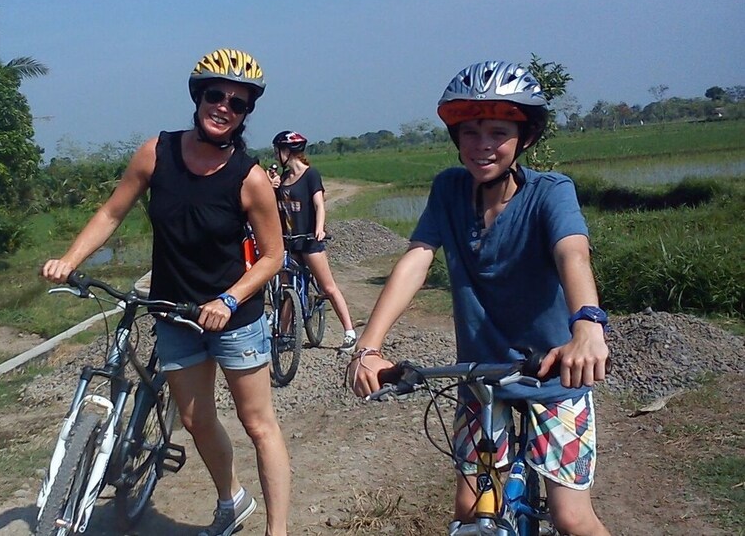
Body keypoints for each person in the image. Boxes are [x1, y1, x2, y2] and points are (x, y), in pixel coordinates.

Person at [347, 61, 611, 536]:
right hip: (479, 380)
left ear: (524, 137)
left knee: (572, 518)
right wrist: (369, 345)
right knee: (470, 513)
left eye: (497, 131)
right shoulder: (448, 189)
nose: (482, 144)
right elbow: (417, 259)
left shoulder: (551, 193)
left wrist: (587, 325)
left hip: (552, 374)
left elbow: (573, 254)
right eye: (469, 132)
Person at [42, 48, 290, 536]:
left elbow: (273, 256)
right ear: (198, 97)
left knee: (258, 425)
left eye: (237, 103)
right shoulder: (157, 153)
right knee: (196, 422)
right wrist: (71, 260)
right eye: (215, 95)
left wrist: (229, 299)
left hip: (234, 319)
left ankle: (277, 530)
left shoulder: (251, 178)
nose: (224, 107)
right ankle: (231, 500)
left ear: (245, 114)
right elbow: (112, 212)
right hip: (174, 314)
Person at [268, 130, 358, 352]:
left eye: (277, 151)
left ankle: (349, 332)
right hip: (289, 242)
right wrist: (271, 188)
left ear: (287, 152)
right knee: (288, 288)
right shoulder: (283, 180)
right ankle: (284, 333)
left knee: (328, 287)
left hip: (308, 240)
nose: (276, 155)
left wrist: (318, 229)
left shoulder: (311, 175)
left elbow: (319, 205)